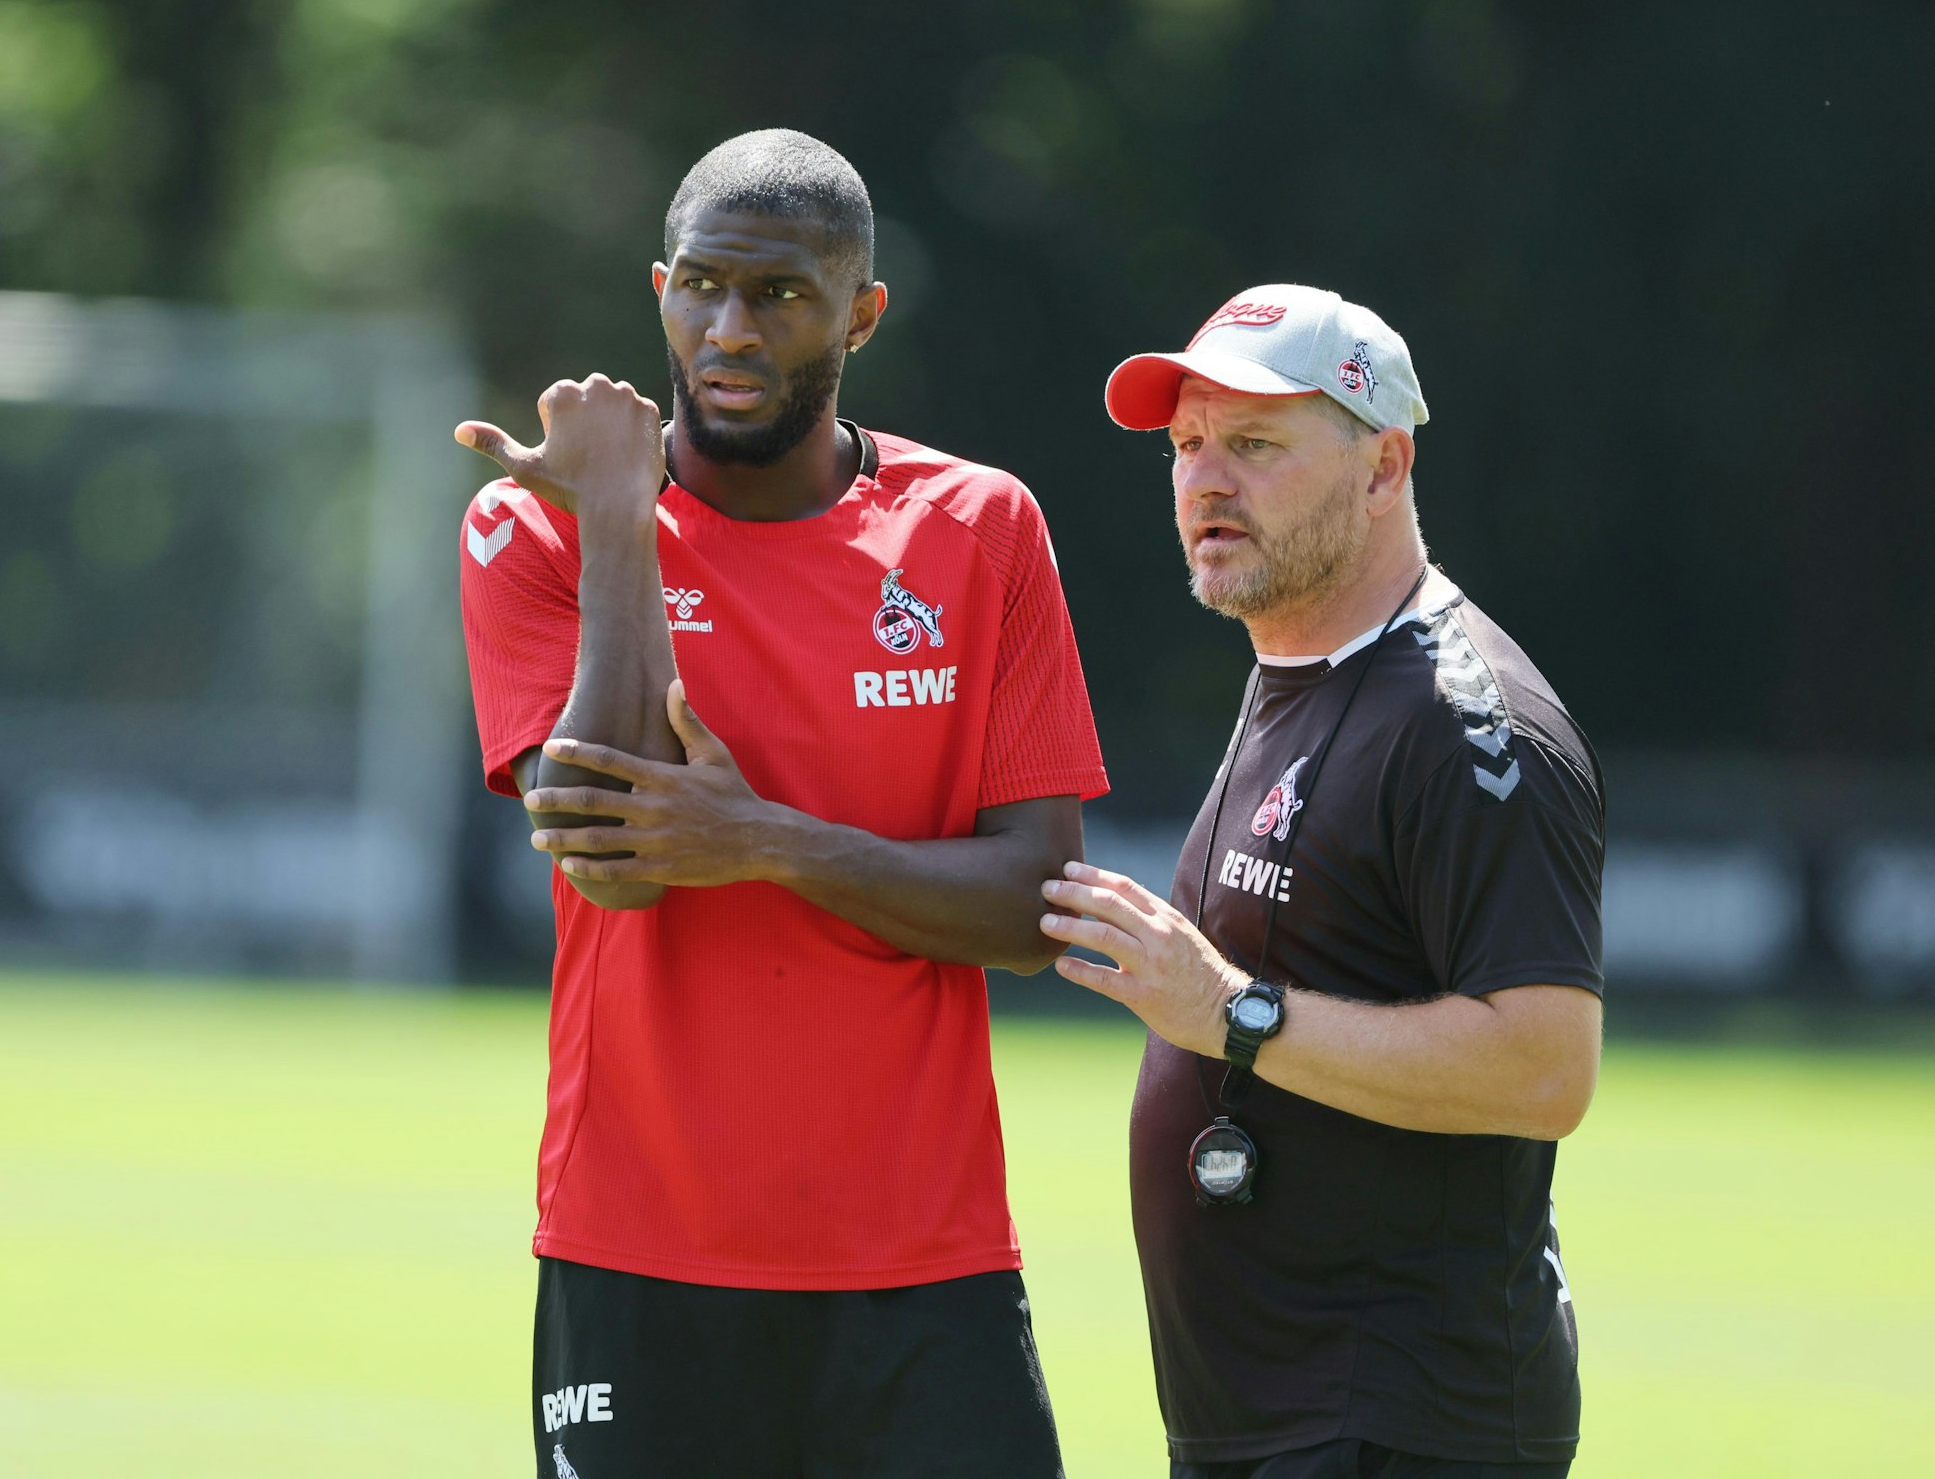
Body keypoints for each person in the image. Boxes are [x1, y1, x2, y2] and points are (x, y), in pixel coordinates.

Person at [453, 130, 1107, 1479]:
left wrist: (763, 842)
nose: (730, 331)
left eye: (781, 295)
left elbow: (1033, 910)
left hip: (922, 1266)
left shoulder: (981, 530)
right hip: (641, 1251)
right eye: (700, 287)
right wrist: (622, 517)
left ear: (860, 315)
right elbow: (618, 863)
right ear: (660, 291)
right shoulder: (536, 527)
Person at [1041, 285, 1604, 1478]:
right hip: (1277, 1418)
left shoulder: (1469, 728)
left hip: (1398, 1424)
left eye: (1253, 445)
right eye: (1186, 444)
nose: (1204, 481)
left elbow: (1543, 1069)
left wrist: (1229, 1013)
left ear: (1382, 466)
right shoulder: (1295, 663)